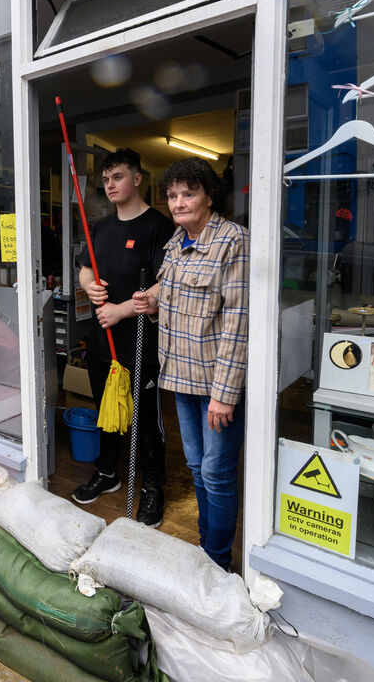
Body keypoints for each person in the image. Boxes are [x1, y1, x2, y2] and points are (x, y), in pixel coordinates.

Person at [134, 157, 249, 570]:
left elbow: (239, 322)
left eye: (189, 193)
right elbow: (169, 291)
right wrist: (152, 300)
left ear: (209, 196)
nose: (179, 203)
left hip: (215, 385)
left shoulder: (233, 241)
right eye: (172, 195)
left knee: (218, 472)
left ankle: (218, 563)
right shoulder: (175, 244)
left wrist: (225, 394)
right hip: (180, 376)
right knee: (197, 468)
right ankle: (205, 549)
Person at [71, 148, 175, 528]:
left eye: (118, 177)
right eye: (106, 179)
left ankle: (154, 488)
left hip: (142, 344)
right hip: (102, 344)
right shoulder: (101, 227)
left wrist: (122, 310)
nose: (110, 184)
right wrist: (91, 287)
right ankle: (108, 473)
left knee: (146, 421)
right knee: (107, 413)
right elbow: (85, 269)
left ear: (137, 179)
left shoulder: (160, 227)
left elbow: (169, 285)